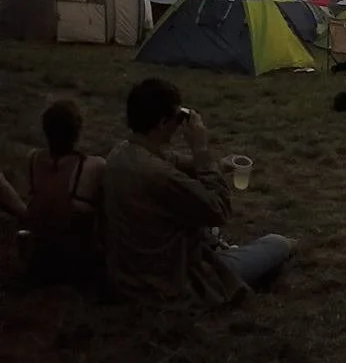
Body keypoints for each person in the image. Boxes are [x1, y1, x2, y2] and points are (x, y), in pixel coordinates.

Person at [102, 78, 296, 305]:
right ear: (164, 123)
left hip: (128, 276)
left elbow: (171, 159)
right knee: (278, 243)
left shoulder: (120, 153)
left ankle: (223, 250)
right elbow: (219, 209)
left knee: (206, 229)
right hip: (169, 282)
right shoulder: (160, 176)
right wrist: (201, 150)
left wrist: (217, 165)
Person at [22, 98, 105, 282]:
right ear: (78, 131)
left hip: (39, 260)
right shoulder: (93, 166)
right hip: (75, 265)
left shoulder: (33, 159)